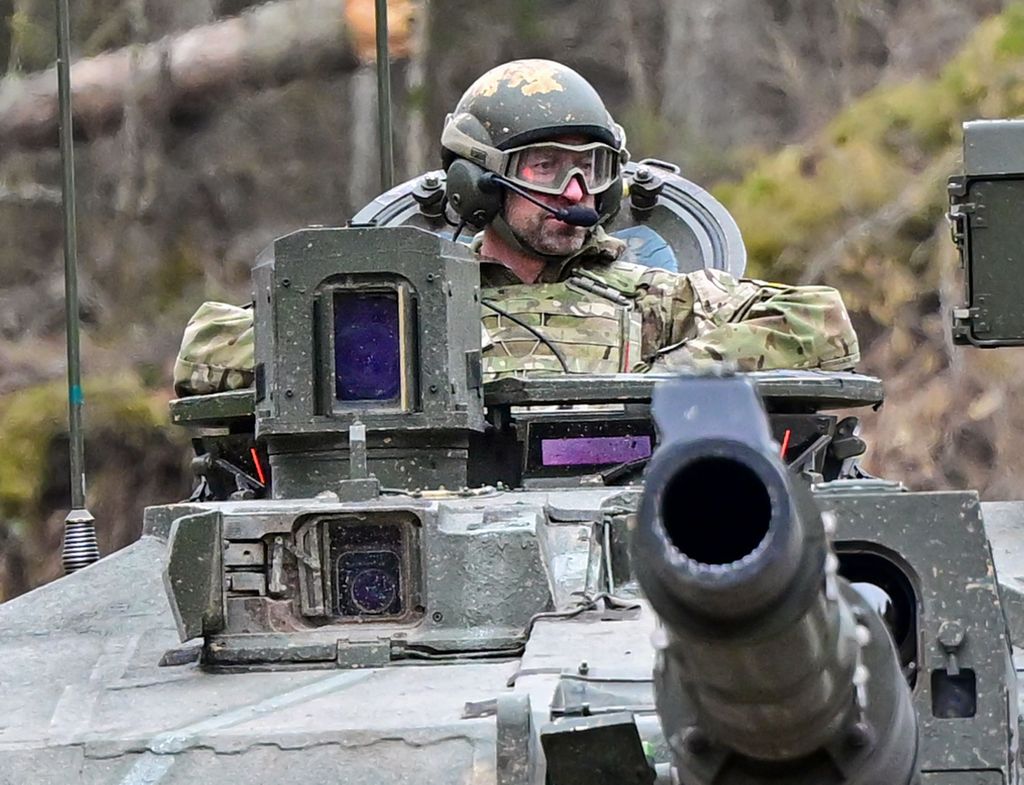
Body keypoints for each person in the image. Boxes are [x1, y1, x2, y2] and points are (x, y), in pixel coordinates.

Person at [173, 59, 858, 395]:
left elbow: (822, 321)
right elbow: (206, 346)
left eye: (589, 166)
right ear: (480, 181)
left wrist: (667, 377)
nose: (575, 189)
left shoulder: (657, 298)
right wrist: (373, 351)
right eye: (547, 166)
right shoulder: (415, 304)